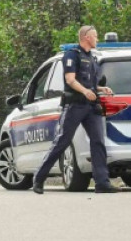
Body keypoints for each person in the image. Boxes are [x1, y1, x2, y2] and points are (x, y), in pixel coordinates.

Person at [31, 25, 120, 194]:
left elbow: (90, 84)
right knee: (62, 141)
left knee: (98, 142)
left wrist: (101, 89)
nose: (97, 39)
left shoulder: (92, 57)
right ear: (86, 37)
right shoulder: (72, 54)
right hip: (75, 105)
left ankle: (102, 183)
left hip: (91, 106)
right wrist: (86, 92)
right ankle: (39, 177)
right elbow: (70, 80)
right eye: (95, 36)